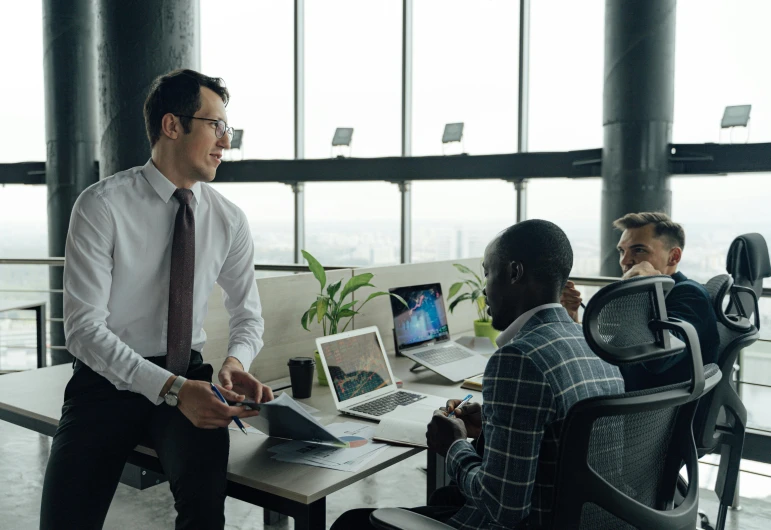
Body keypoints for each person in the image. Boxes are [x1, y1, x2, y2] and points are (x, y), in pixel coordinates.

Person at [40, 69, 273, 530]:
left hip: (190, 371)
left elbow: (249, 315)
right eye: (216, 125)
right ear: (172, 125)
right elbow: (84, 331)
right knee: (65, 520)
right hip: (106, 382)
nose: (226, 141)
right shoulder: (101, 206)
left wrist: (235, 361)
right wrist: (170, 389)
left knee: (205, 514)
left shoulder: (228, 219)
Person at [331, 220, 625, 530]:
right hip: (581, 520)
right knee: (443, 497)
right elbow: (558, 435)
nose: (484, 288)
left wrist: (454, 445)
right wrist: (493, 420)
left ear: (514, 273)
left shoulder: (518, 358)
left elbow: (503, 508)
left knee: (352, 524)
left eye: (488, 272)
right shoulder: (591, 343)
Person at [561, 211, 720, 390]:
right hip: (618, 392)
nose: (625, 260)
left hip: (646, 411)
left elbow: (659, 360)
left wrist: (638, 290)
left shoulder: (689, 295)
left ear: (673, 256)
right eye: (622, 251)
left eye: (639, 250)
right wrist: (573, 317)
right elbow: (611, 348)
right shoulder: (655, 297)